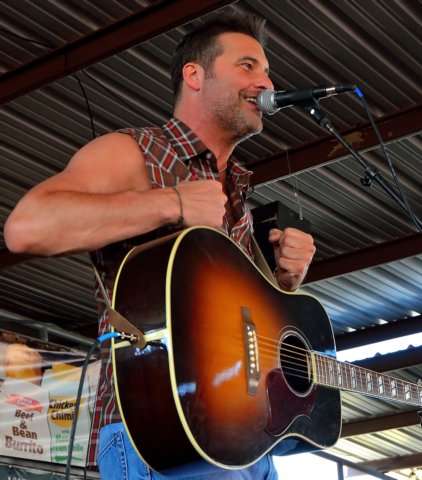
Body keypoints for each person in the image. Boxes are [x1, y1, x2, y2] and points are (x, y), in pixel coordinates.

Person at [4, 13, 316, 480]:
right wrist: (172, 202)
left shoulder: (236, 192)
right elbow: (27, 227)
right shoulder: (136, 151)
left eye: (267, 72)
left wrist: (284, 283)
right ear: (195, 75)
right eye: (247, 66)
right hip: (161, 434)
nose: (266, 83)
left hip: (245, 440)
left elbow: (240, 324)